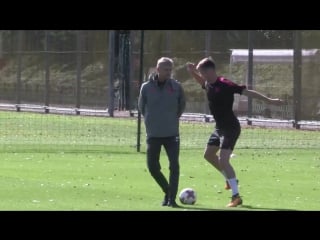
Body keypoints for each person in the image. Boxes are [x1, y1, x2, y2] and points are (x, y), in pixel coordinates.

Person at [186, 57, 283, 207]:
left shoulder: (225, 84)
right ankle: (230, 179)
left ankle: (236, 197)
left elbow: (247, 92)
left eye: (201, 71)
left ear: (210, 71)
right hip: (220, 127)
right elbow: (202, 83)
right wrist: (192, 72)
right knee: (208, 155)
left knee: (224, 160)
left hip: (231, 127)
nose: (201, 75)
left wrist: (269, 100)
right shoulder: (208, 83)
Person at [138, 57, 186, 207]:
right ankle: (167, 191)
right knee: (152, 167)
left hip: (172, 134)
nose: (169, 72)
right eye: (166, 69)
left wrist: (172, 118)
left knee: (174, 166)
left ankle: (172, 200)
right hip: (153, 134)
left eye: (170, 69)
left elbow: (182, 105)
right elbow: (141, 106)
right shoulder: (146, 87)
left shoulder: (177, 87)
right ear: (157, 69)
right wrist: (151, 121)